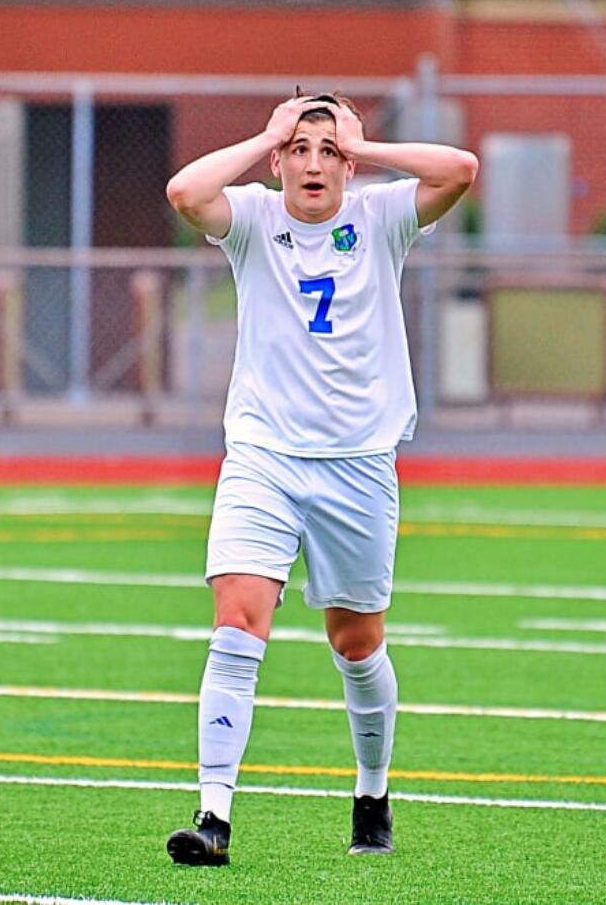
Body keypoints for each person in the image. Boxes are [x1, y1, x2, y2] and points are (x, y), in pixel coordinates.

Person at [162, 92, 477, 865]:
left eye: (327, 151)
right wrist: (264, 131)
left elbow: (460, 170)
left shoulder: (381, 215)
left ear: (347, 162)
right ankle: (213, 816)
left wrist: (366, 149)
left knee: (357, 641)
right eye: (299, 149)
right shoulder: (252, 218)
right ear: (277, 160)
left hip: (358, 465)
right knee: (238, 619)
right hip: (264, 456)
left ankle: (372, 791)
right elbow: (183, 192)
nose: (313, 163)